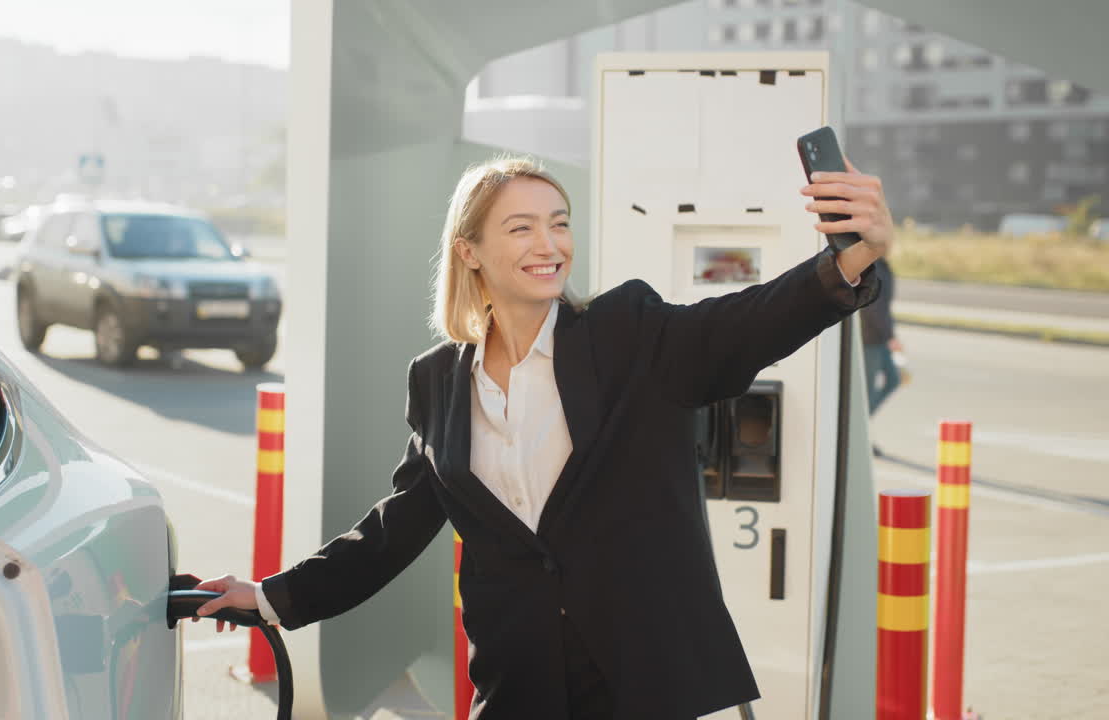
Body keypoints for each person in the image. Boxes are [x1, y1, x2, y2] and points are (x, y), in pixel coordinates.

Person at [194, 155, 893, 719]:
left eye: (559, 224)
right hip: (520, 680)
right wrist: (270, 598)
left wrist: (845, 265)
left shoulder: (628, 331)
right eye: (521, 228)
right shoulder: (437, 379)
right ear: (469, 251)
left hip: (643, 681)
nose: (549, 244)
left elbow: (741, 324)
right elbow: (396, 528)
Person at [860, 256, 903, 456]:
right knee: (866, 393)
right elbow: (872, 307)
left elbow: (884, 306)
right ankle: (860, 434)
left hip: (880, 337)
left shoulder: (882, 262)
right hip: (870, 338)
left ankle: (860, 428)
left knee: (894, 379)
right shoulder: (871, 264)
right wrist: (890, 336)